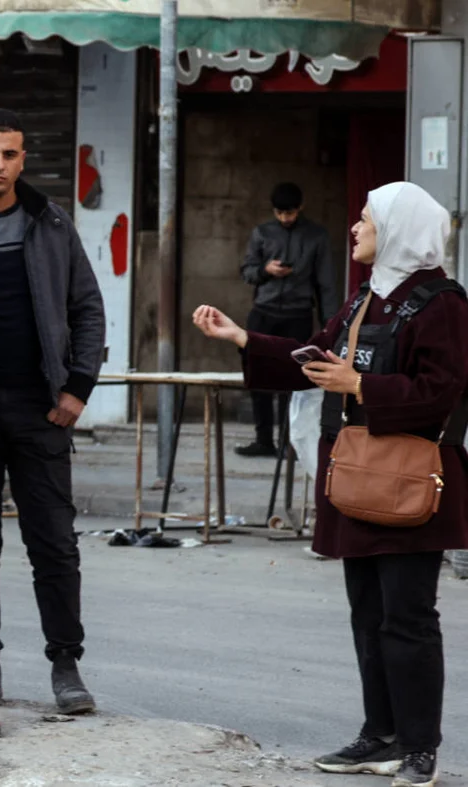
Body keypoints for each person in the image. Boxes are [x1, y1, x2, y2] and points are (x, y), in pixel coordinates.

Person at [194, 181, 466, 787]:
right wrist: (241, 338)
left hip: (409, 482)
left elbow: (443, 392)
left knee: (409, 617)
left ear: (396, 229)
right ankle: (381, 735)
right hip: (356, 475)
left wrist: (363, 388)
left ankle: (419, 747)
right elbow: (316, 354)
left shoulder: (441, 302)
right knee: (367, 614)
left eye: (366, 219)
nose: (355, 228)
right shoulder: (367, 295)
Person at [0, 108, 106, 714]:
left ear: (23, 159)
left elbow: (87, 308)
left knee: (54, 543)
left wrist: (77, 389)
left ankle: (66, 664)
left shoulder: (51, 224)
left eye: (10, 154)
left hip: (41, 411)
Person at [236, 182, 338, 457]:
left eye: (290, 213)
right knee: (257, 377)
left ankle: (287, 442)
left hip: (297, 314)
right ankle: (263, 439)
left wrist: (331, 324)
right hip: (264, 311)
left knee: (292, 381)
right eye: (280, 214)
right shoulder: (262, 233)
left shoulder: (316, 236)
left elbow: (326, 283)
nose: (285, 219)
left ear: (300, 208)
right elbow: (246, 271)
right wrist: (265, 270)